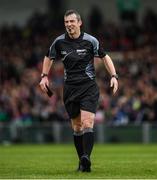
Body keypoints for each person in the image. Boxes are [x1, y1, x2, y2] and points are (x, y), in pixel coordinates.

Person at [39, 9, 118, 172]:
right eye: (66, 22)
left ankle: (86, 157)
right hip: (69, 89)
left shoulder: (90, 41)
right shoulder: (59, 42)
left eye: (72, 21)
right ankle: (82, 162)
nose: (69, 25)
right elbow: (49, 56)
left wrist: (114, 76)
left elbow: (105, 57)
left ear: (79, 23)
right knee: (76, 127)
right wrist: (44, 76)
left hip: (88, 87)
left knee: (87, 122)